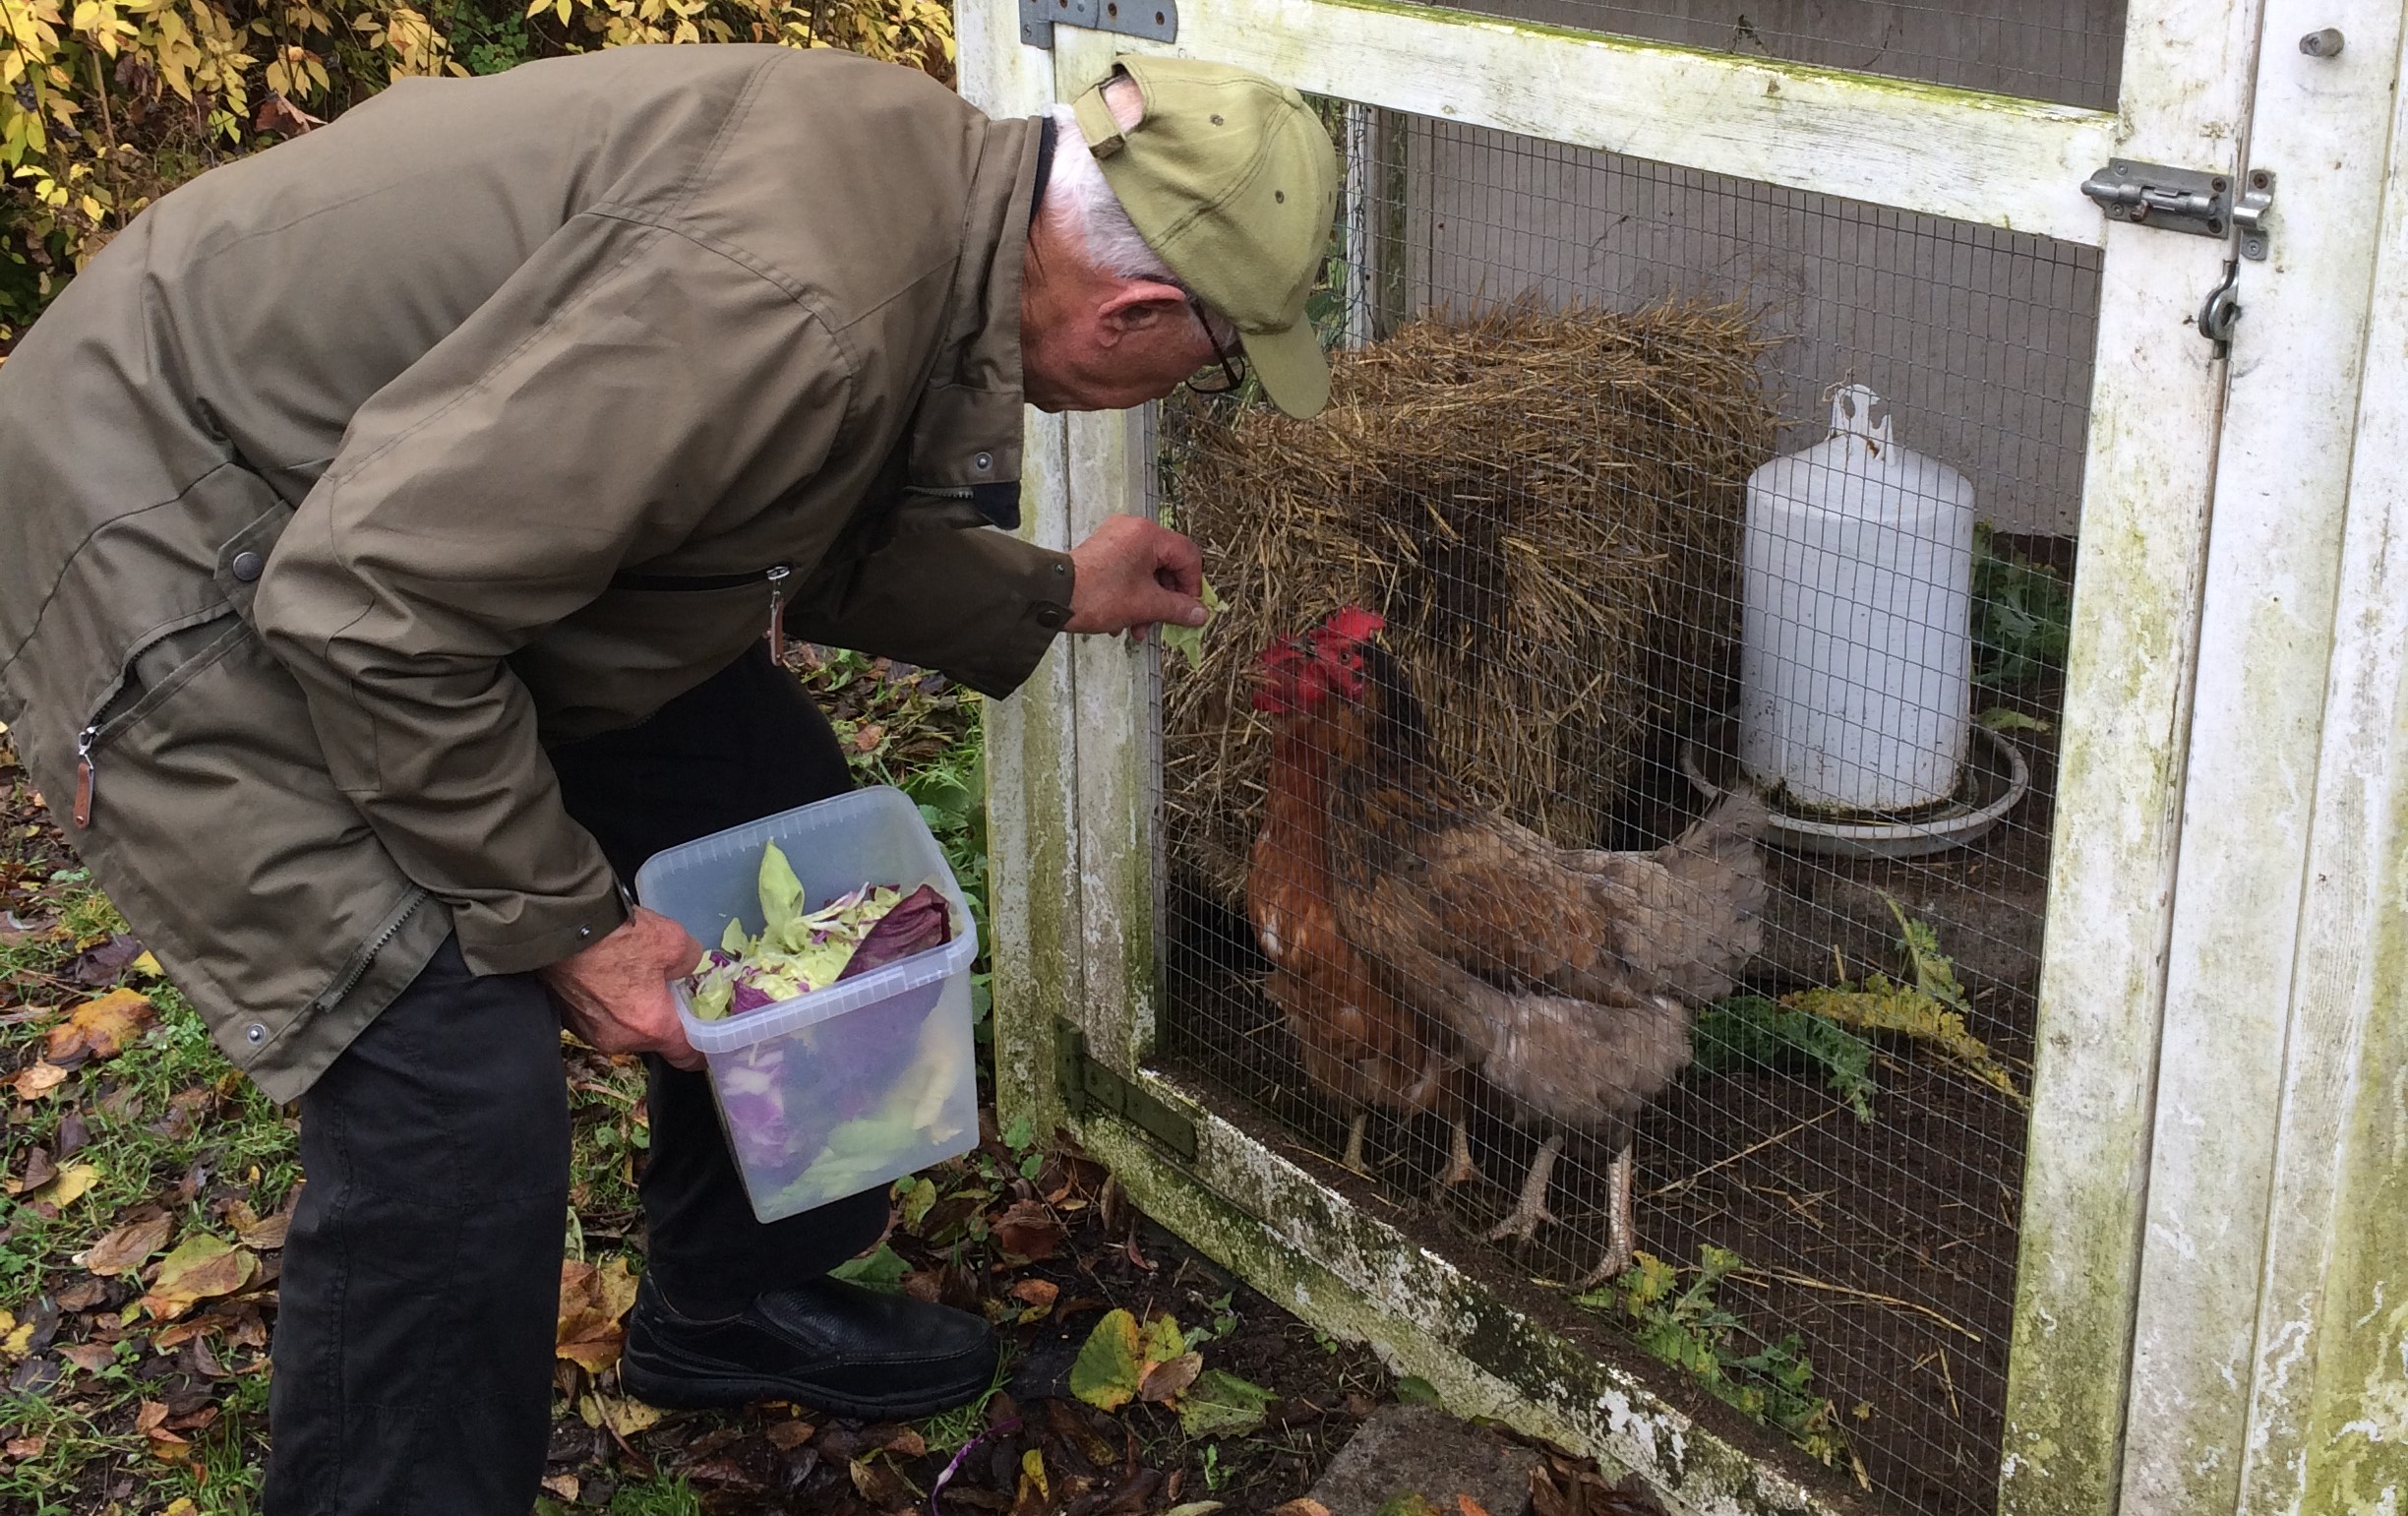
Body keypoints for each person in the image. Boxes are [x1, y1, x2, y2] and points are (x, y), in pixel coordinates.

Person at [0, 43, 1337, 1515]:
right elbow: (367, 607)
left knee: (780, 824)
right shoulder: (793, 305)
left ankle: (728, 1300)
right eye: (1216, 360)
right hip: (174, 519)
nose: (1195, 384)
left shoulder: (941, 200)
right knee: (450, 1080)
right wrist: (574, 926)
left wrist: (1044, 590)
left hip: (401, 523)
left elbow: (761, 506)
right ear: (1134, 311)